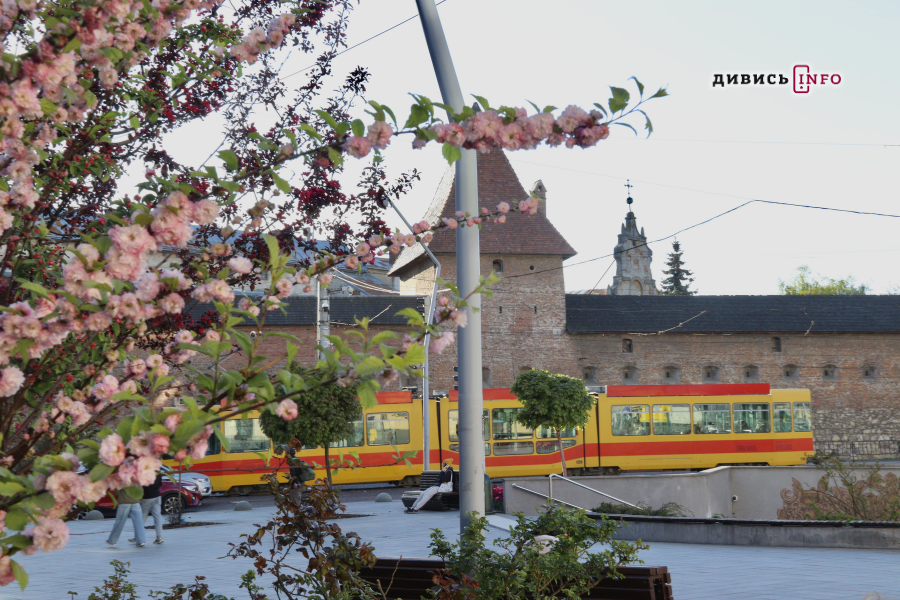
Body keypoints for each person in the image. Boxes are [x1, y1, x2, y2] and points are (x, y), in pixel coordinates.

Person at [131, 472, 164, 545]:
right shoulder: (157, 472)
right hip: (157, 496)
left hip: (147, 498)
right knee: (157, 518)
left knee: (141, 519)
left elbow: (142, 486)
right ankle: (159, 537)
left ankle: (138, 538)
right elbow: (160, 484)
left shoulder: (145, 474)